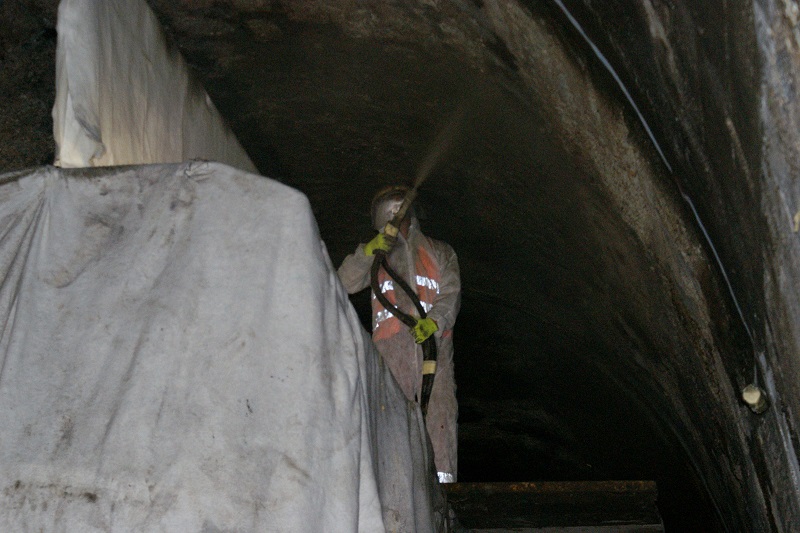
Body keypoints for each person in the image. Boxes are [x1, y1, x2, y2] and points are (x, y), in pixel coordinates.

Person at [338, 185, 461, 483]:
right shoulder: (377, 256)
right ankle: (395, 489)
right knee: (390, 421)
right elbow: (341, 284)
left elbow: (451, 293)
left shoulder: (439, 251)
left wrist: (434, 322)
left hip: (435, 352)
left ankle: (443, 491)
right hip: (391, 357)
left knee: (439, 418)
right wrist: (367, 253)